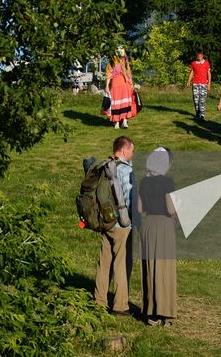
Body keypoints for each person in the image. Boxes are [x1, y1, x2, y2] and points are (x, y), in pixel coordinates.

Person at [137, 147, 177, 327]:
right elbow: (170, 209)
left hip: (148, 225)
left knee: (149, 267)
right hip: (163, 226)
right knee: (164, 269)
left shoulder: (144, 182)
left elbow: (140, 209)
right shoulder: (168, 182)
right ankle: (164, 312)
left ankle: (150, 312)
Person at [94, 135, 134, 315]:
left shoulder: (105, 167)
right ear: (124, 150)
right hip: (121, 224)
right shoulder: (125, 170)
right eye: (131, 150)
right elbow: (128, 196)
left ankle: (99, 301)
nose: (132, 154)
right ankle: (120, 305)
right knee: (120, 264)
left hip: (105, 221)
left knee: (104, 263)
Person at [107, 53, 137, 128]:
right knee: (122, 103)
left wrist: (107, 86)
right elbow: (128, 72)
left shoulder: (116, 60)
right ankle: (121, 121)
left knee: (119, 103)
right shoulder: (120, 60)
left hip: (122, 83)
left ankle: (121, 121)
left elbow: (109, 74)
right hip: (120, 84)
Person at [187, 49, 211, 122]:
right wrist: (188, 81)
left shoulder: (206, 63)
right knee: (196, 100)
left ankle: (202, 115)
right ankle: (197, 113)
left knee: (202, 100)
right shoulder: (193, 63)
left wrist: (209, 83)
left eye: (200, 55)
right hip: (195, 84)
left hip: (204, 84)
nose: (199, 56)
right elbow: (192, 73)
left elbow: (209, 74)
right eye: (198, 55)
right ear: (196, 56)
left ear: (202, 55)